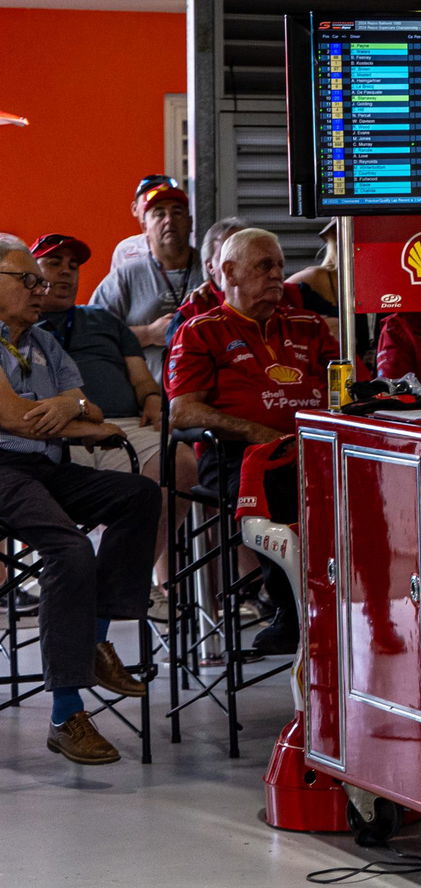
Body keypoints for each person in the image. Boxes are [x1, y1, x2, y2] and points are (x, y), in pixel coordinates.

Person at [0, 234, 161, 765]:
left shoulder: (46, 342)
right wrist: (64, 412)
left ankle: (94, 640)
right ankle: (65, 713)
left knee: (138, 495)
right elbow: (14, 418)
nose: (39, 288)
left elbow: (90, 408)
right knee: (69, 550)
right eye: (27, 279)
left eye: (38, 281)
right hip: (3, 469)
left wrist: (70, 403)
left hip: (45, 465)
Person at [167, 228, 337, 654]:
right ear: (229, 271)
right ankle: (292, 610)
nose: (278, 276)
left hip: (317, 449)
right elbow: (182, 412)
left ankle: (362, 606)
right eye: (265, 266)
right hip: (239, 457)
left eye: (280, 266)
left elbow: (350, 388)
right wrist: (255, 431)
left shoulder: (309, 325)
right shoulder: (200, 331)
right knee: (284, 488)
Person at [32, 234, 198, 620]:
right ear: (30, 273)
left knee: (181, 464)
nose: (65, 273)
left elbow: (141, 378)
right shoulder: (21, 322)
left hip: (121, 426)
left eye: (73, 267)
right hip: (52, 430)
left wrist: (154, 399)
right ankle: (70, 583)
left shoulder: (103, 320)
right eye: (54, 263)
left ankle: (126, 578)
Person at [90, 180, 198, 377]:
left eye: (177, 212)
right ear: (144, 225)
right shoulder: (124, 277)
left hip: (205, 400)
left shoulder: (212, 273)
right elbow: (93, 338)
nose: (169, 220)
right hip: (145, 402)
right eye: (159, 214)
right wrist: (148, 334)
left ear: (190, 223)